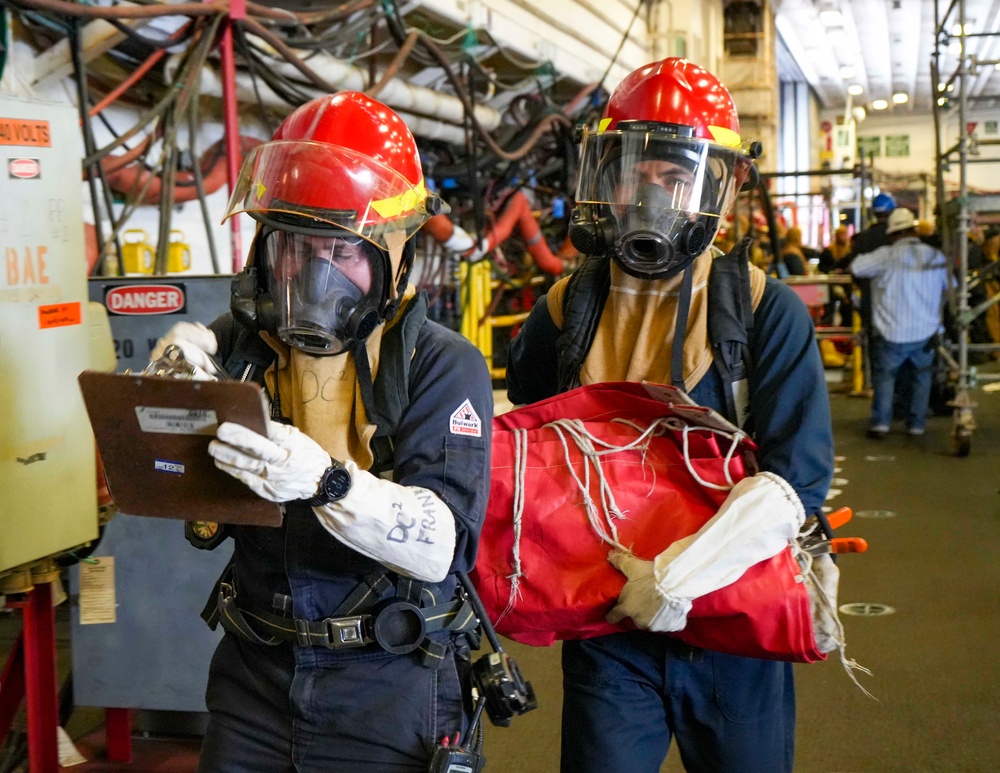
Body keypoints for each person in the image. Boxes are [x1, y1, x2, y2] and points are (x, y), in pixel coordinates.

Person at [505, 57, 834, 773]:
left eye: (675, 174)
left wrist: (679, 579)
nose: (652, 194)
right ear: (607, 176)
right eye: (636, 170)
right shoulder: (567, 309)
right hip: (610, 628)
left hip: (732, 628)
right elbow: (522, 448)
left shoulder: (759, 310)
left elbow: (798, 480)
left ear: (722, 184)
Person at [150, 92, 493, 772]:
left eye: (341, 248)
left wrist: (327, 481)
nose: (314, 273)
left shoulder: (442, 364)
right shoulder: (238, 343)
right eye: (295, 244)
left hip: (387, 681)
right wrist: (169, 409)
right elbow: (188, 509)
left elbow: (439, 548)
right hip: (255, 678)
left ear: (397, 254)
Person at [851, 207, 948, 438]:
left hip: (891, 330)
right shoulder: (936, 257)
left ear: (893, 234)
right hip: (926, 330)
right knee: (922, 378)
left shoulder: (885, 256)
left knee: (885, 378)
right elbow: (950, 287)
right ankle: (916, 425)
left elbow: (856, 267)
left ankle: (881, 424)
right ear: (915, 230)